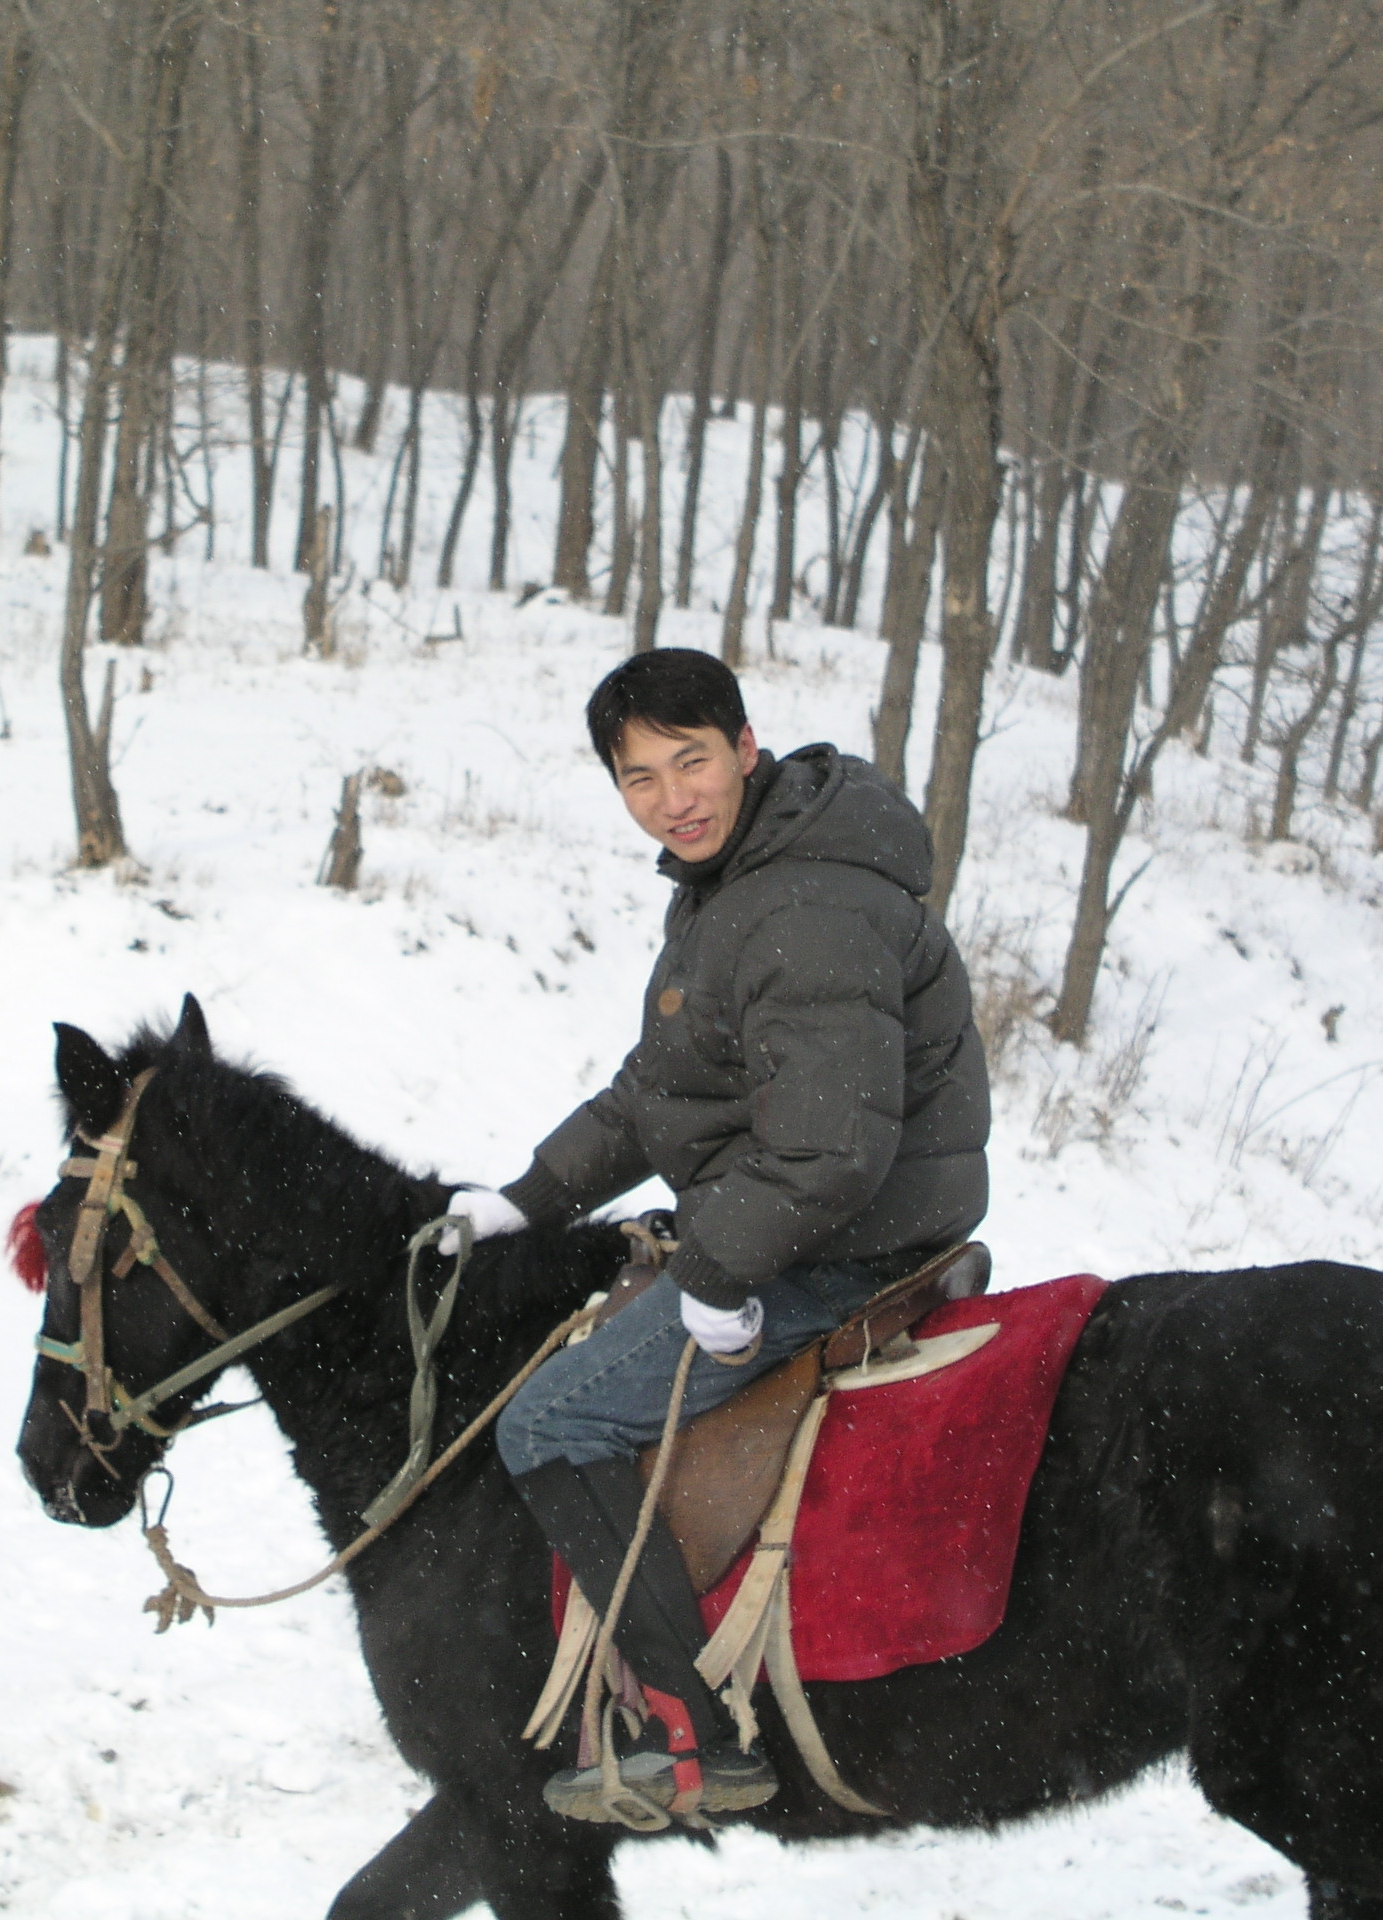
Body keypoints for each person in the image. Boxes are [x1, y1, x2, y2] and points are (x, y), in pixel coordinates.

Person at [453, 648, 990, 1823]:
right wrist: (525, 1200)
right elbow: (660, 1094)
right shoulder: (734, 885)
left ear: (746, 748)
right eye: (638, 777)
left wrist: (716, 1268)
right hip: (794, 1218)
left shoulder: (806, 902)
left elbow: (829, 1150)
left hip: (843, 1237)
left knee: (549, 1418)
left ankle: (694, 1734)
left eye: (691, 761)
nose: (671, 797)